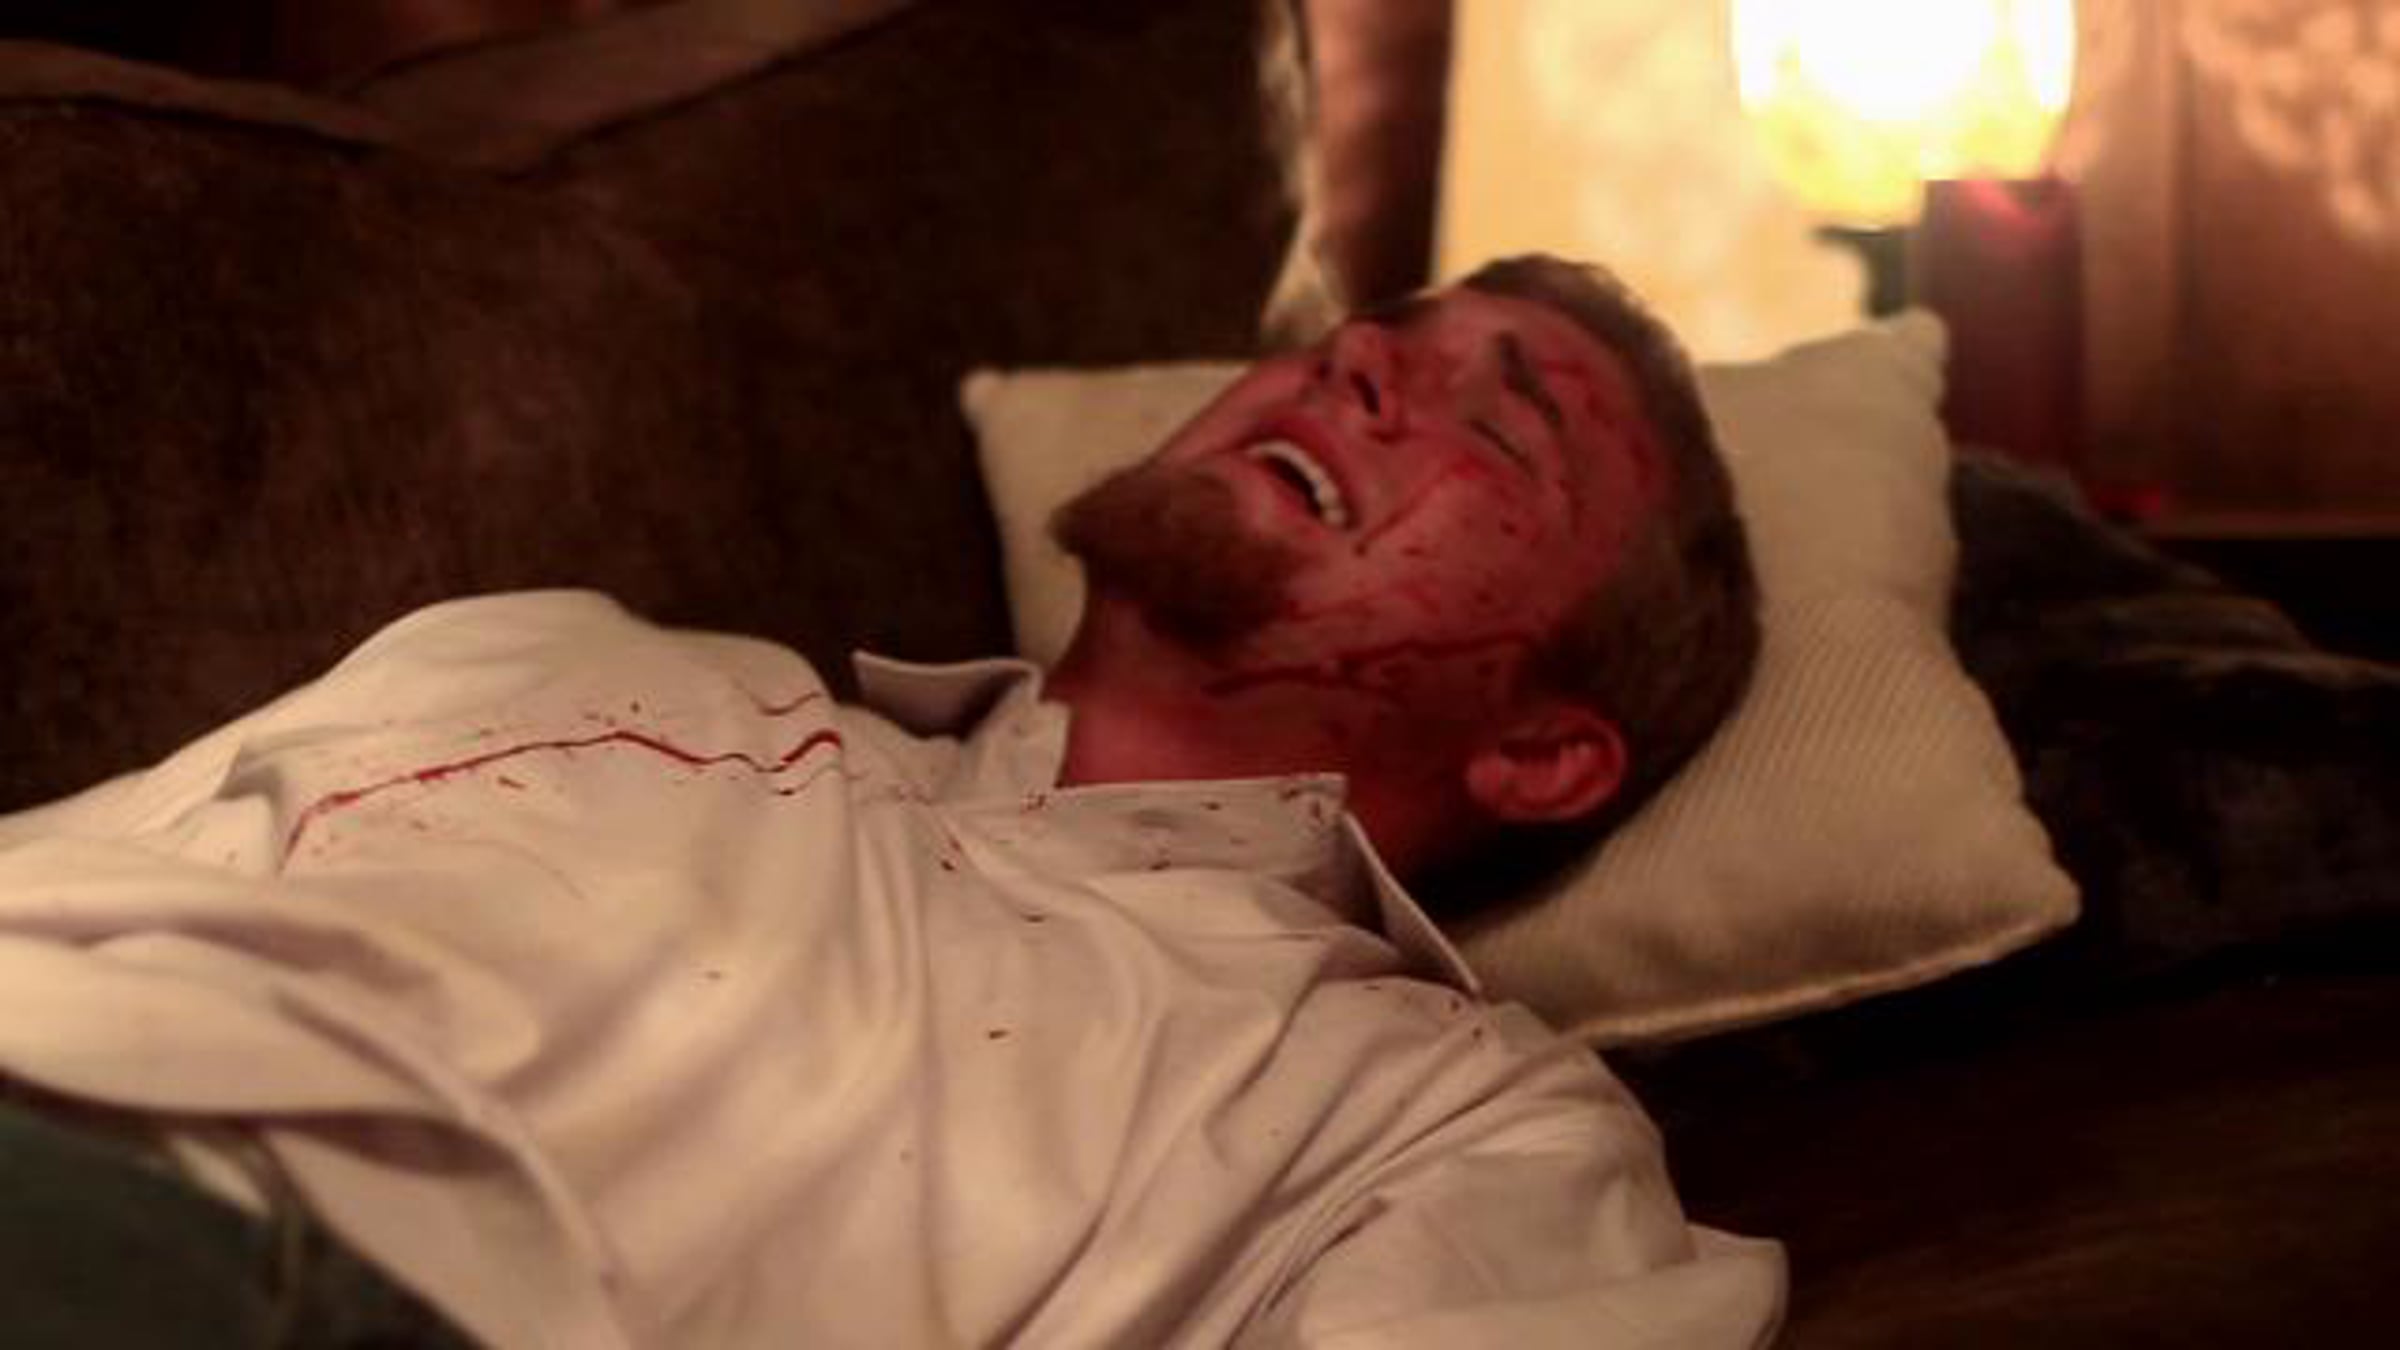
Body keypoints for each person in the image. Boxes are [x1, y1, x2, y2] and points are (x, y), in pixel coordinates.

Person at [0, 255, 1782, 1348]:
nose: (1359, 364)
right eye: (1371, 331)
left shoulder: (1437, 1121)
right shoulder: (584, 655)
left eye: (1501, 425)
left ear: (1545, 753)